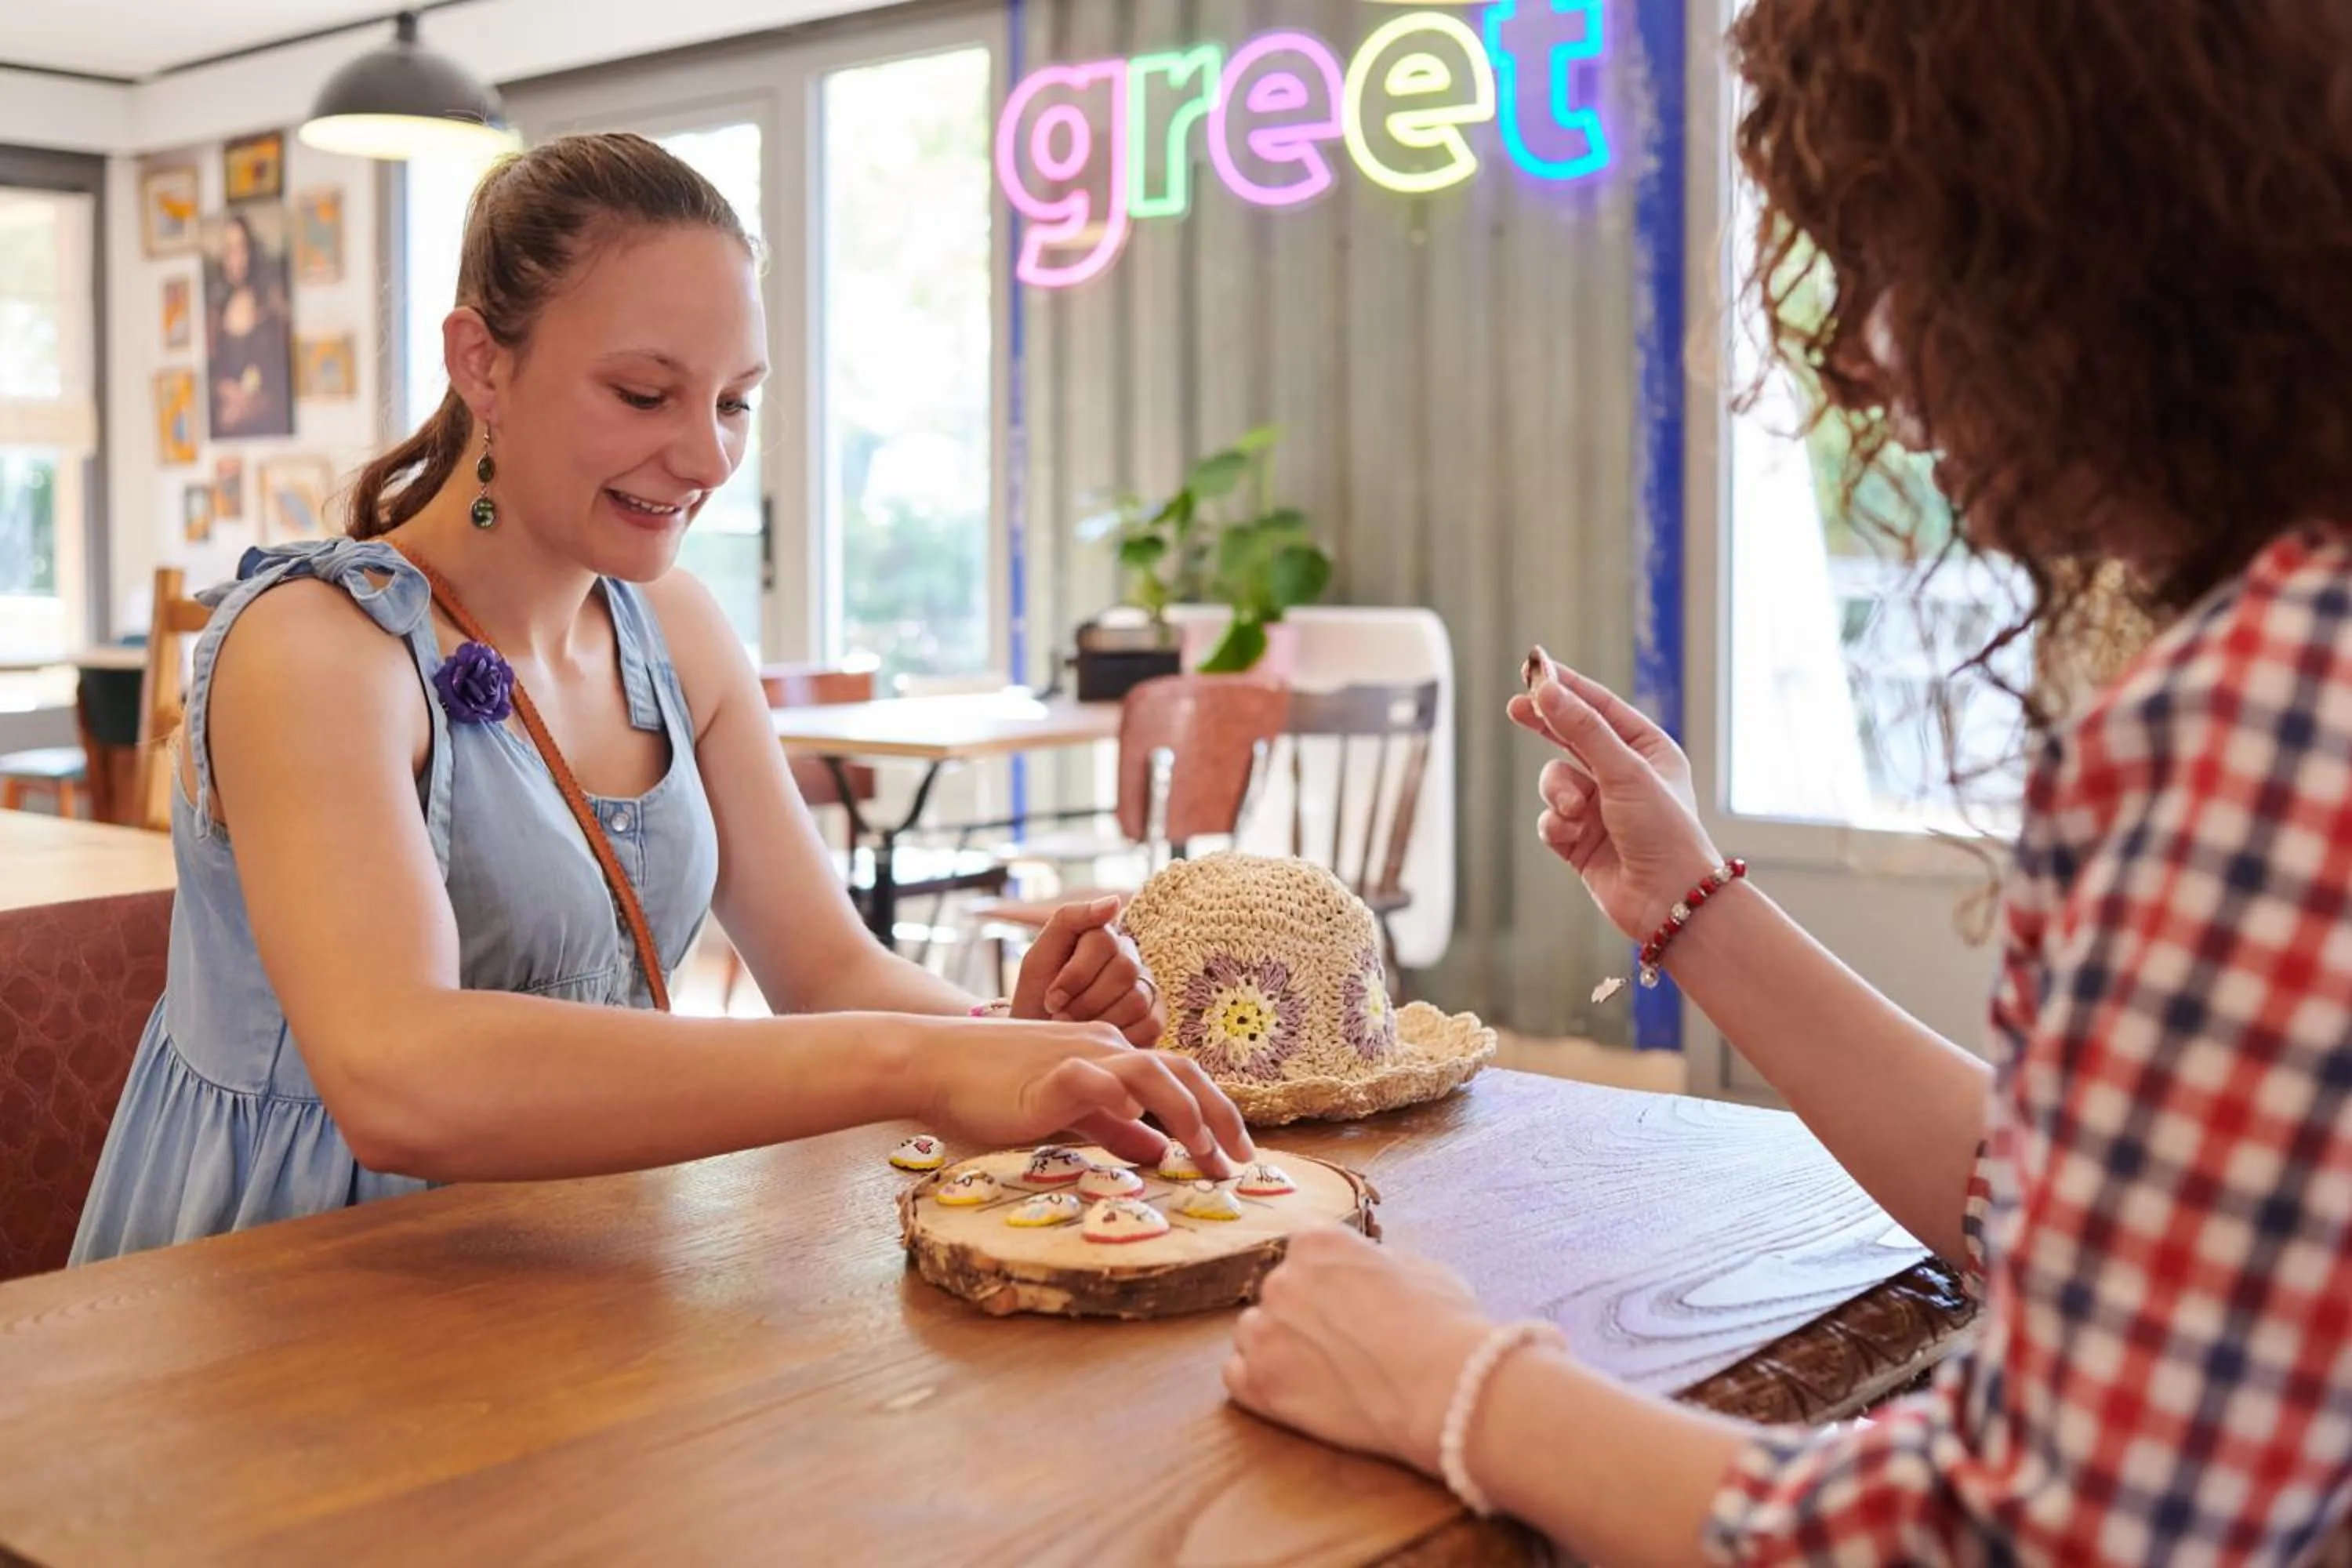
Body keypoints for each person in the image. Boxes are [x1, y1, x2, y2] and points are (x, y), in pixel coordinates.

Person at [1225, 2, 2352, 1561]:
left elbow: (2028, 1535)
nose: (1868, 353)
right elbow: (2111, 1226)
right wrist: (1683, 901)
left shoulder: (2264, 712)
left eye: (1895, 261)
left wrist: (1454, 1384)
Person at [71, 133, 1251, 1266]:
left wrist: (1019, 1046)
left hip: (577, 1250)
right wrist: (918, 1065)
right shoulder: (316, 651)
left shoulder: (673, 628)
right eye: (646, 395)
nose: (708, 459)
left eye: (735, 402)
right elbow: (398, 1077)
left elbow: (829, 975)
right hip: (284, 1272)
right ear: (482, 361)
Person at [205, 211, 294, 440]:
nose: (236, 259)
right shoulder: (216, 313)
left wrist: (252, 402)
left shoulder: (271, 309)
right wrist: (227, 392)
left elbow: (280, 384)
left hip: (262, 424)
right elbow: (212, 376)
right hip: (227, 424)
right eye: (229, 250)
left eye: (241, 248)